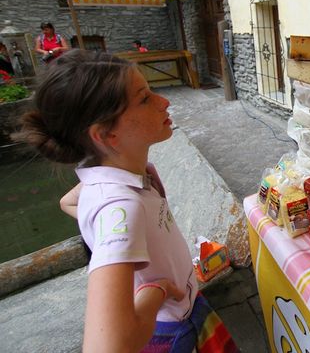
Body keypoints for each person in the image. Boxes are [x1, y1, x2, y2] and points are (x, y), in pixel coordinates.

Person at [13, 50, 238, 353]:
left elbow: (67, 202)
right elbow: (106, 346)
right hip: (173, 328)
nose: (165, 101)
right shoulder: (120, 205)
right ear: (106, 135)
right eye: (145, 98)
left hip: (185, 306)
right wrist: (156, 291)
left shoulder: (107, 180)